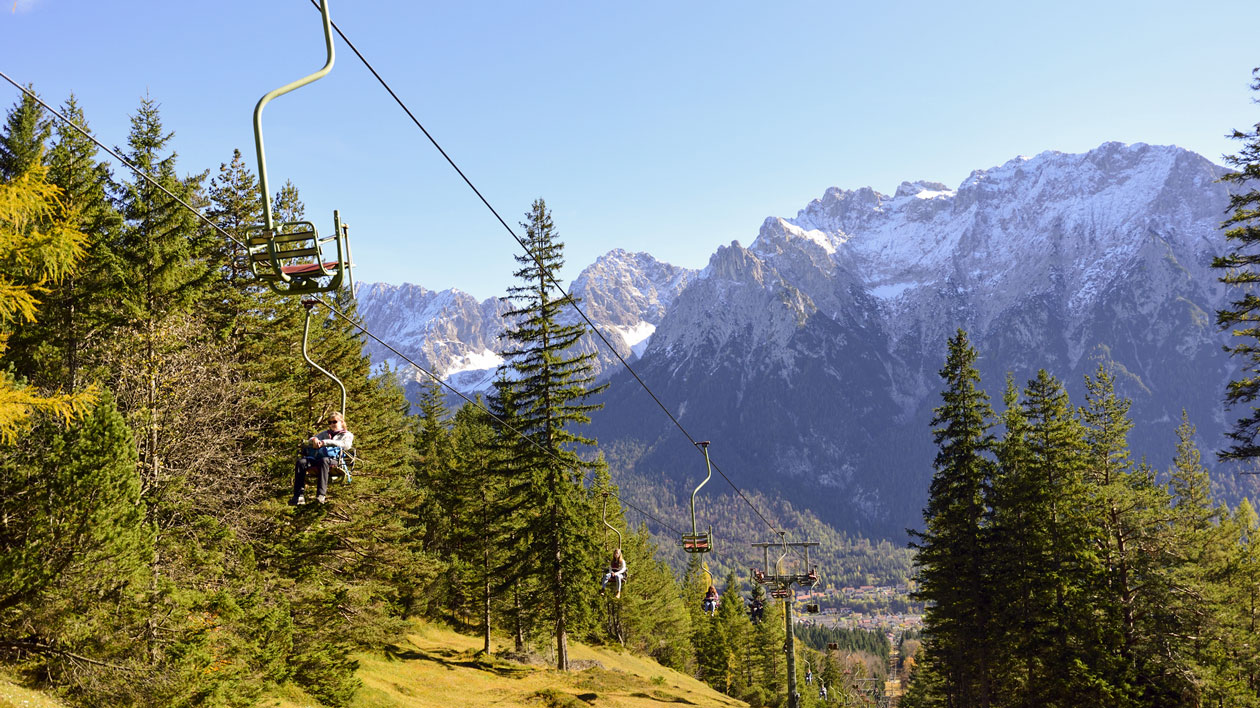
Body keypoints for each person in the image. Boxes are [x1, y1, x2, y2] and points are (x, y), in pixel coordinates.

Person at [291, 412, 354, 505]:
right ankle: (298, 495)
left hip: (334, 459)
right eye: (330, 422)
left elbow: (346, 445)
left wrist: (326, 443)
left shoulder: (347, 435)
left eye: (334, 422)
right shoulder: (325, 433)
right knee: (301, 462)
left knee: (324, 461)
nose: (332, 424)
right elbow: (312, 439)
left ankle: (321, 495)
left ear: (341, 422)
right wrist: (314, 440)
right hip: (318, 458)